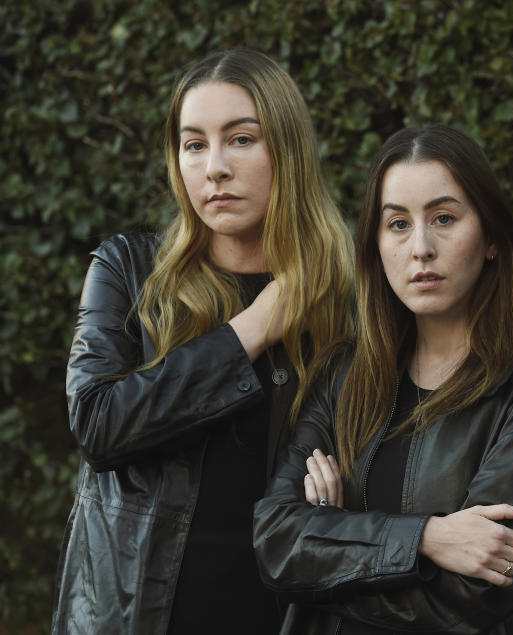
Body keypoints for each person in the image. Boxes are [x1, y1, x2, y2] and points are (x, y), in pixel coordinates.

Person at [51, 48, 355, 634]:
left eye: (241, 139)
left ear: (287, 150)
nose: (214, 167)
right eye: (194, 145)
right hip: (137, 617)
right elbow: (98, 423)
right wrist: (255, 327)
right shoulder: (129, 270)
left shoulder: (346, 298)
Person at [252, 124, 513, 634]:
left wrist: (332, 544)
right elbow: (276, 541)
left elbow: (479, 592)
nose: (420, 247)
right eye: (398, 224)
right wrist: (428, 538)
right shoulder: (343, 376)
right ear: (376, 245)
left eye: (444, 218)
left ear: (491, 238)